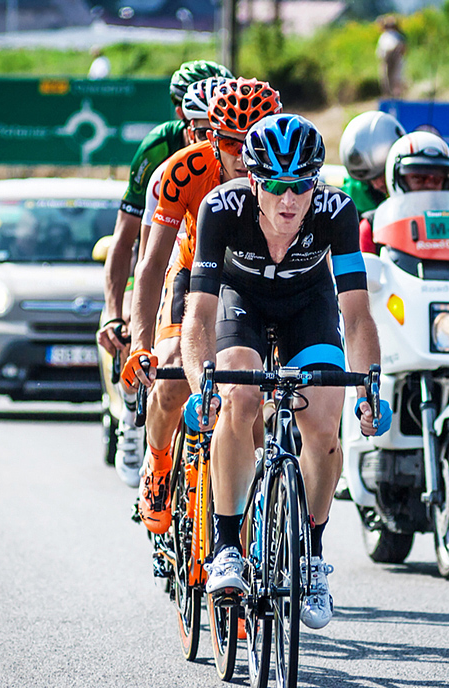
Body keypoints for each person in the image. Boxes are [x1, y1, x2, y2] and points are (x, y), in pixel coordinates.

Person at [180, 114, 388, 629]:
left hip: (307, 308)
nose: (289, 200)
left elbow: (357, 315)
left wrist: (369, 389)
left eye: (300, 186)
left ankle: (312, 557)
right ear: (253, 182)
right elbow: (199, 317)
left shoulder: (337, 210)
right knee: (238, 398)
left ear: (315, 183)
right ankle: (227, 548)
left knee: (323, 426)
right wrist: (200, 385)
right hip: (241, 305)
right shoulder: (220, 209)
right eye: (275, 186)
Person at [122, 78, 281, 535]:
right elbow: (151, 266)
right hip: (195, 271)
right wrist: (140, 344)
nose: (240, 152)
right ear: (211, 136)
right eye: (230, 140)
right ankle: (157, 463)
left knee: (250, 409)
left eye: (252, 139)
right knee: (172, 378)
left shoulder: (285, 176)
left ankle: (249, 528)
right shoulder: (182, 171)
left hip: (252, 282)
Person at [96, 59, 232, 486]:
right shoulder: (161, 152)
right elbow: (128, 242)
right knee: (159, 356)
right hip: (175, 252)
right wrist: (113, 313)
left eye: (222, 127)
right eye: (199, 125)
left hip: (228, 265)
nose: (212, 136)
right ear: (181, 115)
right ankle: (133, 419)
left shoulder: (248, 149)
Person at [359, 131, 449, 254]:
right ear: (397, 179)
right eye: (419, 178)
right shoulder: (373, 226)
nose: (429, 185)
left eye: (437, 179)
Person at [338, 110, 406, 216]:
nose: (377, 185)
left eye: (382, 174)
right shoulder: (353, 192)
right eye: (369, 180)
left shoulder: (421, 181)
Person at [376, 16, 406, 99]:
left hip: (395, 59)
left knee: (396, 78)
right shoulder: (384, 36)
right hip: (386, 59)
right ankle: (387, 95)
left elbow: (403, 49)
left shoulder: (397, 36)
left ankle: (396, 96)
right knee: (385, 78)